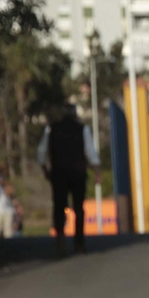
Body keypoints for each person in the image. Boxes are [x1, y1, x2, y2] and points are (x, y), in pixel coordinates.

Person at [36, 103, 99, 255]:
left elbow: (41, 151)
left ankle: (60, 243)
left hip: (59, 173)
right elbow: (90, 152)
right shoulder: (82, 129)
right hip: (78, 173)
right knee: (79, 208)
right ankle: (79, 244)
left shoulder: (51, 129)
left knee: (59, 207)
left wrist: (45, 169)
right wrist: (97, 171)